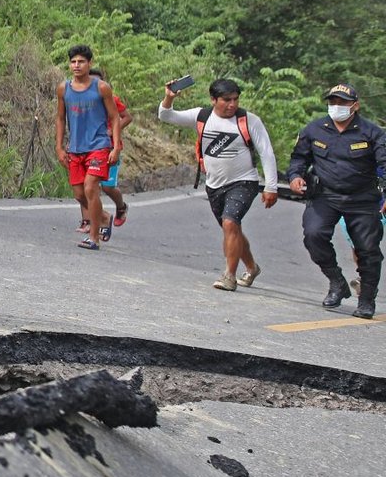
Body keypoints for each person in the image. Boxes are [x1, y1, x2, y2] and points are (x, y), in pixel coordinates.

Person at [157, 77, 279, 291]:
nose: (232, 104)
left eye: (235, 99)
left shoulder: (249, 120)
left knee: (230, 223)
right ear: (213, 99)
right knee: (231, 229)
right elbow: (165, 115)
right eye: (226, 100)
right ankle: (251, 268)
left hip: (244, 181)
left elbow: (266, 152)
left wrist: (271, 186)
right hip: (214, 185)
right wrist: (169, 97)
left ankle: (229, 276)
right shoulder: (202, 116)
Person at [284, 83, 386, 318]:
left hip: (362, 199)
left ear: (355, 106)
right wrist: (295, 176)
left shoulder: (372, 133)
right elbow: (299, 157)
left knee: (368, 249)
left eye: (342, 102)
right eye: (332, 102)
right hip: (325, 196)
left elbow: (384, 165)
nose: (336, 107)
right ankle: (336, 281)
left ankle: (367, 300)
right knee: (313, 235)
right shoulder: (315, 129)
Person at [55, 44, 121, 250]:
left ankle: (94, 238)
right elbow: (60, 119)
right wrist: (59, 147)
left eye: (81, 61)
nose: (77, 65)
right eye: (73, 61)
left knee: (90, 187)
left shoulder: (101, 87)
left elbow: (115, 117)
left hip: (99, 145)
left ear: (89, 63)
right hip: (75, 147)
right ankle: (103, 217)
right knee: (79, 195)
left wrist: (116, 146)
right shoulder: (63, 88)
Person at [88, 69, 133, 230]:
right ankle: (94, 221)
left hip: (110, 147)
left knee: (107, 186)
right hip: (90, 148)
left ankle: (121, 207)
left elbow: (127, 117)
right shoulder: (83, 101)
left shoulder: (112, 99)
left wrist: (112, 130)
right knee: (89, 186)